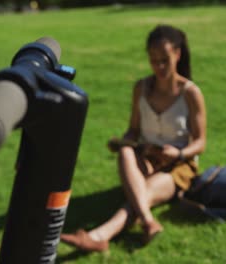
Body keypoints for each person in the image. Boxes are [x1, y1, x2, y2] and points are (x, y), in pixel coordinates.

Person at [60, 24, 207, 252]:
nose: (158, 66)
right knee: (126, 151)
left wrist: (177, 153)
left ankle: (99, 236)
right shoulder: (142, 88)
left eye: (164, 60)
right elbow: (133, 131)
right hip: (147, 156)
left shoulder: (190, 93)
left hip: (178, 165)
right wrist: (125, 141)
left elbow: (200, 143)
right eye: (153, 60)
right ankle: (148, 222)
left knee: (142, 193)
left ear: (177, 54)